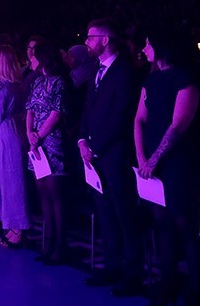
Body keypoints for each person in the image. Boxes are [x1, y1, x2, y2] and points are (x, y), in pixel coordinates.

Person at [134, 30, 200, 305]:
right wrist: (141, 157)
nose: (144, 48)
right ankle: (168, 282)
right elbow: (139, 118)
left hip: (179, 162)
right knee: (161, 222)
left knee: (185, 224)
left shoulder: (186, 79)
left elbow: (179, 125)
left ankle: (195, 291)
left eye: (148, 43)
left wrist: (153, 159)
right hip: (152, 163)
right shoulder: (151, 78)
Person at [79, 18, 144, 297]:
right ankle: (112, 265)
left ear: (105, 40)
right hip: (94, 153)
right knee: (104, 212)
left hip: (115, 154)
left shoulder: (125, 72)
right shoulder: (96, 70)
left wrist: (98, 145)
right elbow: (87, 109)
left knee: (123, 213)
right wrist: (82, 139)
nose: (87, 42)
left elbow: (123, 115)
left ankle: (133, 274)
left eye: (91, 37)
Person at [26, 41, 71, 264]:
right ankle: (48, 243)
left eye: (34, 55)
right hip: (36, 143)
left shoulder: (59, 82)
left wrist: (39, 135)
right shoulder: (37, 82)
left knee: (56, 197)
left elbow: (56, 112)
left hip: (52, 141)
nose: (30, 58)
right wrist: (29, 134)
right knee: (43, 194)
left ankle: (60, 246)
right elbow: (30, 110)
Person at [0, 44, 31, 249]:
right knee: (15, 177)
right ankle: (14, 225)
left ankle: (16, 228)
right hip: (17, 128)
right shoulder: (18, 84)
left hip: (4, 130)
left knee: (10, 179)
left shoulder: (2, 85)